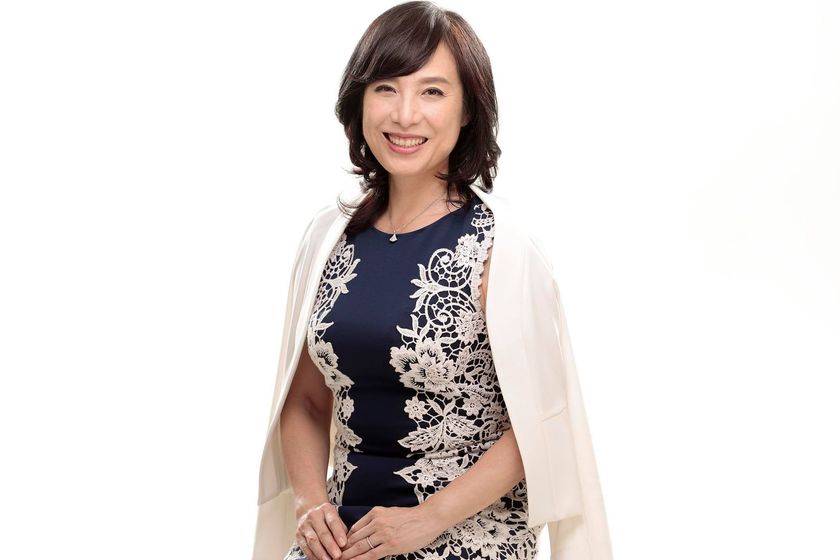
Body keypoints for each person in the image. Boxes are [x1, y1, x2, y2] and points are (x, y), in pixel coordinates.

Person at [253, 2, 613, 560]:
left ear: (468, 110)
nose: (405, 115)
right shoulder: (328, 235)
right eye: (386, 88)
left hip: (470, 531)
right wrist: (309, 504)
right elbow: (303, 400)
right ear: (359, 100)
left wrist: (426, 520)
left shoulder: (504, 248)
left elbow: (542, 422)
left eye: (432, 92)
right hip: (344, 535)